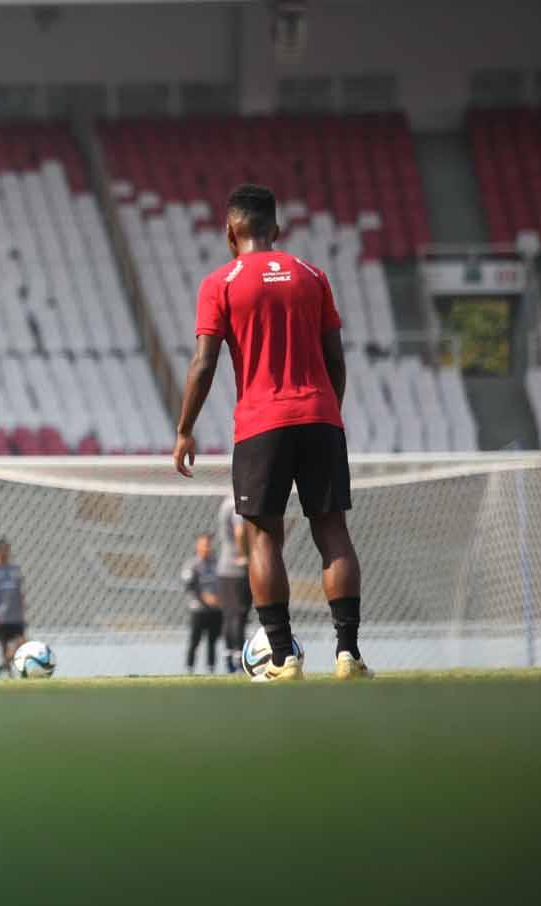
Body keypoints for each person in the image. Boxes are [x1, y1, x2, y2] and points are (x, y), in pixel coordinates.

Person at [173, 184, 372, 682]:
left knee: (264, 539)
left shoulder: (222, 282)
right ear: (276, 229)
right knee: (333, 533)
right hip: (321, 417)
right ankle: (348, 654)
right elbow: (336, 360)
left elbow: (203, 364)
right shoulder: (313, 276)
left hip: (262, 423)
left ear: (229, 233)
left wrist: (185, 430)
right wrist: (328, 413)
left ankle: (283, 657)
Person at [215, 493, 252, 673]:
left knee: (230, 615)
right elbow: (240, 531)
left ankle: (230, 656)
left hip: (224, 569)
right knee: (238, 614)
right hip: (237, 569)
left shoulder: (226, 503)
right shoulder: (239, 502)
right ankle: (239, 658)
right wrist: (244, 556)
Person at [181, 533, 222, 673]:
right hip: (198, 610)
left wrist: (218, 599)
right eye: (204, 545)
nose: (207, 548)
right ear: (197, 546)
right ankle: (189, 668)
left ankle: (211, 668)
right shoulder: (192, 564)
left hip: (215, 610)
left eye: (208, 545)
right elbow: (189, 586)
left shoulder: (216, 563)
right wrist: (204, 598)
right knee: (194, 641)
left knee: (212, 641)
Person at [0, 539, 25, 678]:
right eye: (2, 550)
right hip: (1, 617)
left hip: (15, 616)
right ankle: (8, 675)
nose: (6, 553)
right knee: (3, 649)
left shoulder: (15, 569)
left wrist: (22, 609)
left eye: (7, 549)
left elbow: (20, 590)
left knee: (22, 644)